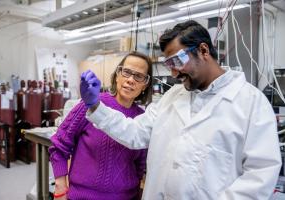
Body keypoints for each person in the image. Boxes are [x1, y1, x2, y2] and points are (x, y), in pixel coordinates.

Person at [81, 20, 282, 200]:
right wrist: (96, 106)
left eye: (177, 62)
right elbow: (134, 132)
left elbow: (260, 173)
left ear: (203, 50)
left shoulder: (251, 103)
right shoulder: (172, 97)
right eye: (169, 65)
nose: (174, 73)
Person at [49, 51, 153, 200]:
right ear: (117, 75)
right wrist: (60, 187)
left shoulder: (142, 120)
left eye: (139, 76)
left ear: (145, 85)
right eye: (127, 72)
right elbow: (59, 145)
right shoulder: (92, 105)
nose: (131, 80)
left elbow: (139, 166)